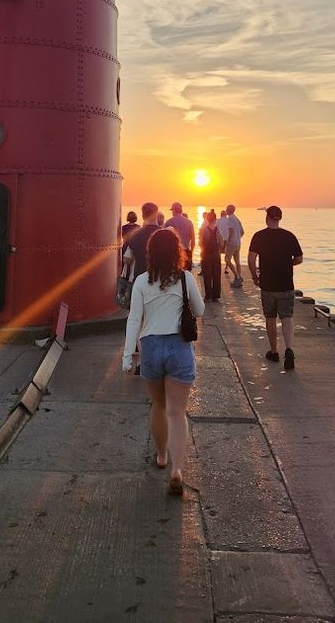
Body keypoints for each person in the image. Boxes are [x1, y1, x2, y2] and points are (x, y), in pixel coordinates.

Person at [122, 228, 205, 496]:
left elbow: (134, 319)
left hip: (152, 346)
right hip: (179, 346)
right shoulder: (185, 279)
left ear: (150, 254)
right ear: (177, 252)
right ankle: (177, 470)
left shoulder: (142, 282)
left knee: (158, 405)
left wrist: (127, 356)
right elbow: (201, 310)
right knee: (177, 411)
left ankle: (160, 456)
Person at [247, 206, 303, 370]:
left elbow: (251, 260)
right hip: (286, 284)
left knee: (270, 317)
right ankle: (289, 349)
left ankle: (274, 351)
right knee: (287, 317)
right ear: (279, 218)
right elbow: (299, 259)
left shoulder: (259, 236)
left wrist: (254, 277)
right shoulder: (289, 236)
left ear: (267, 217)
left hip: (268, 285)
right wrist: (287, 263)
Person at [122, 202, 161, 281]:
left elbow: (127, 259)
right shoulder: (166, 234)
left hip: (139, 278)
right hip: (159, 280)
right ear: (157, 215)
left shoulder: (134, 235)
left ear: (143, 216)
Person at [198, 210, 222, 301]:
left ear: (207, 219)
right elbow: (222, 243)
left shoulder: (203, 230)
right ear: (215, 219)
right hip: (216, 254)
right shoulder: (218, 230)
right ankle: (216, 295)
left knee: (207, 275)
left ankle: (208, 295)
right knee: (216, 274)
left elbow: (200, 243)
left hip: (206, 254)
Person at [165, 202, 195, 271]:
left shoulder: (168, 222)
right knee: (187, 274)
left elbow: (165, 241)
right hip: (186, 251)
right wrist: (191, 253)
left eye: (172, 211)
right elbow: (193, 240)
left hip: (173, 252)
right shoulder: (189, 222)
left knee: (174, 273)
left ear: (174, 210)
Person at [224, 205, 245, 288]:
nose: (225, 210)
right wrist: (238, 238)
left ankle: (237, 277)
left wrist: (228, 241)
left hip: (232, 243)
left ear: (229, 210)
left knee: (227, 260)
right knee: (237, 261)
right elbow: (242, 232)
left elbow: (231, 231)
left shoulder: (229, 219)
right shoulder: (237, 219)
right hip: (238, 243)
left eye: (227, 209)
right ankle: (238, 279)